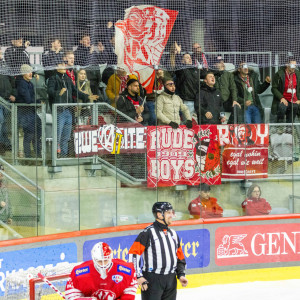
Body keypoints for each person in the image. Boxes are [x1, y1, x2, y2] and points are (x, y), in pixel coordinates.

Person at [128, 202, 188, 300]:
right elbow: (133, 254)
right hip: (152, 280)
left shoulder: (173, 234)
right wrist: (138, 276)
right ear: (159, 215)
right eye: (168, 212)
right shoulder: (147, 233)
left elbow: (180, 257)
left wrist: (181, 275)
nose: (172, 215)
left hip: (171, 280)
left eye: (172, 212)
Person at [48, 63, 98, 157]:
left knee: (66, 136)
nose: (64, 66)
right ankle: (56, 157)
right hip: (59, 110)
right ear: (57, 67)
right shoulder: (53, 78)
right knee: (58, 135)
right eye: (61, 65)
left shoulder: (67, 78)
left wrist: (87, 96)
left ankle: (64, 155)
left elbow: (76, 91)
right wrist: (58, 92)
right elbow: (50, 91)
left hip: (68, 110)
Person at [65, 242, 137, 300]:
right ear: (94, 259)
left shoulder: (125, 269)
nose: (103, 264)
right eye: (99, 261)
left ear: (110, 257)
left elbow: (131, 289)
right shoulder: (79, 272)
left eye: (105, 260)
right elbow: (71, 295)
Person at [16, 64, 41, 158]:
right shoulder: (22, 83)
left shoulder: (30, 83)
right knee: (29, 134)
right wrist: (38, 102)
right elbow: (28, 100)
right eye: (28, 72)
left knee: (38, 131)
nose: (31, 74)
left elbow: (32, 99)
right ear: (23, 73)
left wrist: (37, 102)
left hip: (31, 112)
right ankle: (28, 156)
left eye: (31, 71)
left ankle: (38, 154)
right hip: (25, 113)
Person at [271, 58, 300, 123]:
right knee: (282, 107)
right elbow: (273, 88)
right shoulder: (279, 74)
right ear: (287, 65)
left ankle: (289, 130)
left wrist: (299, 99)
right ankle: (279, 127)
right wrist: (281, 98)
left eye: (295, 65)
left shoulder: (298, 74)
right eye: (292, 65)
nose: (294, 67)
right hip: (284, 99)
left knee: (295, 107)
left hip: (294, 100)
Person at [213, 55, 240, 123]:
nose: (221, 63)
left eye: (222, 62)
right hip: (217, 102)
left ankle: (230, 125)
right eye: (218, 62)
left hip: (227, 100)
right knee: (219, 111)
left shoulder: (229, 75)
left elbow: (233, 88)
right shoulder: (213, 75)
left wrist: (234, 100)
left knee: (236, 108)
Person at [0, 49, 16, 154]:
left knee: (5, 124)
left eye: (0, 52)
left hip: (7, 100)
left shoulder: (6, 66)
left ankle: (6, 143)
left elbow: (13, 81)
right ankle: (2, 144)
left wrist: (13, 94)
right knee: (0, 122)